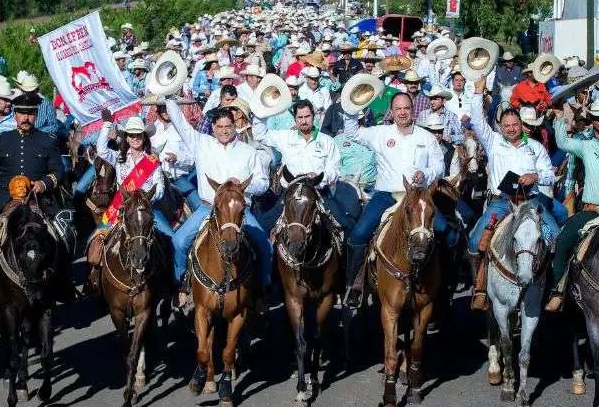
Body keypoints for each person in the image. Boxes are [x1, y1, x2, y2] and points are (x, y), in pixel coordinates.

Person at [342, 92, 446, 307]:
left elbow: (440, 166)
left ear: (412, 110)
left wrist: (425, 173)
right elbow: (351, 133)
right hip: (386, 195)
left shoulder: (426, 137)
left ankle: (442, 285)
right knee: (358, 234)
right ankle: (355, 284)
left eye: (406, 108)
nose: (402, 112)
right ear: (392, 111)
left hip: (418, 197)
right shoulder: (380, 133)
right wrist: (352, 105)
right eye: (397, 108)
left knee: (446, 231)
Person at [165, 99, 272, 308]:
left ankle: (261, 290)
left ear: (235, 127)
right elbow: (180, 123)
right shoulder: (201, 143)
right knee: (178, 241)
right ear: (213, 128)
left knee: (265, 246)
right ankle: (182, 286)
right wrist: (170, 100)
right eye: (220, 127)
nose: (224, 131)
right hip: (208, 207)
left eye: (228, 127)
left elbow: (263, 183)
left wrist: (242, 186)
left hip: (238, 211)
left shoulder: (248, 151)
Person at [467, 75, 560, 310]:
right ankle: (480, 287)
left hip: (531, 202)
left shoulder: (535, 147)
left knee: (554, 236)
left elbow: (550, 174)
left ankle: (552, 288)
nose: (511, 129)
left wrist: (536, 177)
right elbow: (477, 121)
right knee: (475, 240)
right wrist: (478, 93)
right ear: (501, 127)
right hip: (502, 203)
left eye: (515, 125)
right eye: (506, 126)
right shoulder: (494, 142)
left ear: (521, 125)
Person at [253, 100, 355, 233]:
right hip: (289, 195)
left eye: (307, 116)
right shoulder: (285, 137)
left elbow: (335, 170)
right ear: (295, 119)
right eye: (300, 117)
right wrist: (261, 112)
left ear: (313, 116)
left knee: (345, 225)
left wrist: (319, 178)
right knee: (261, 228)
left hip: (318, 194)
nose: (304, 121)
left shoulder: (327, 140)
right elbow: (260, 135)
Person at [546, 98, 599, 311]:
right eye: (598, 118)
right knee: (563, 239)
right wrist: (560, 119)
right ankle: (558, 290)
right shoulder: (586, 145)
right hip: (592, 210)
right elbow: (562, 144)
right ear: (592, 120)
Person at [96, 111, 174, 238]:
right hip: (122, 208)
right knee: (95, 239)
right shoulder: (119, 157)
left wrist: (144, 198)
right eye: (131, 135)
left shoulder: (152, 160)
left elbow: (159, 189)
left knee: (172, 239)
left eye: (138, 134)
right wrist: (107, 124)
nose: (135, 138)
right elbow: (101, 150)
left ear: (144, 137)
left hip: (147, 209)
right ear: (126, 137)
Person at [152, 104, 200, 210]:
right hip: (155, 177)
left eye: (167, 107)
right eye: (163, 107)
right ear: (158, 110)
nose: (165, 110)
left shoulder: (184, 129)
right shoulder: (153, 129)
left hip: (177, 177)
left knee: (198, 204)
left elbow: (192, 158)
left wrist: (177, 159)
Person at [12, 71, 57, 135]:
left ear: (37, 91)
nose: (28, 94)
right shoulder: (16, 103)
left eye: (31, 91)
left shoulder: (46, 105)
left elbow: (53, 126)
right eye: (26, 91)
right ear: (22, 91)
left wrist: (35, 132)